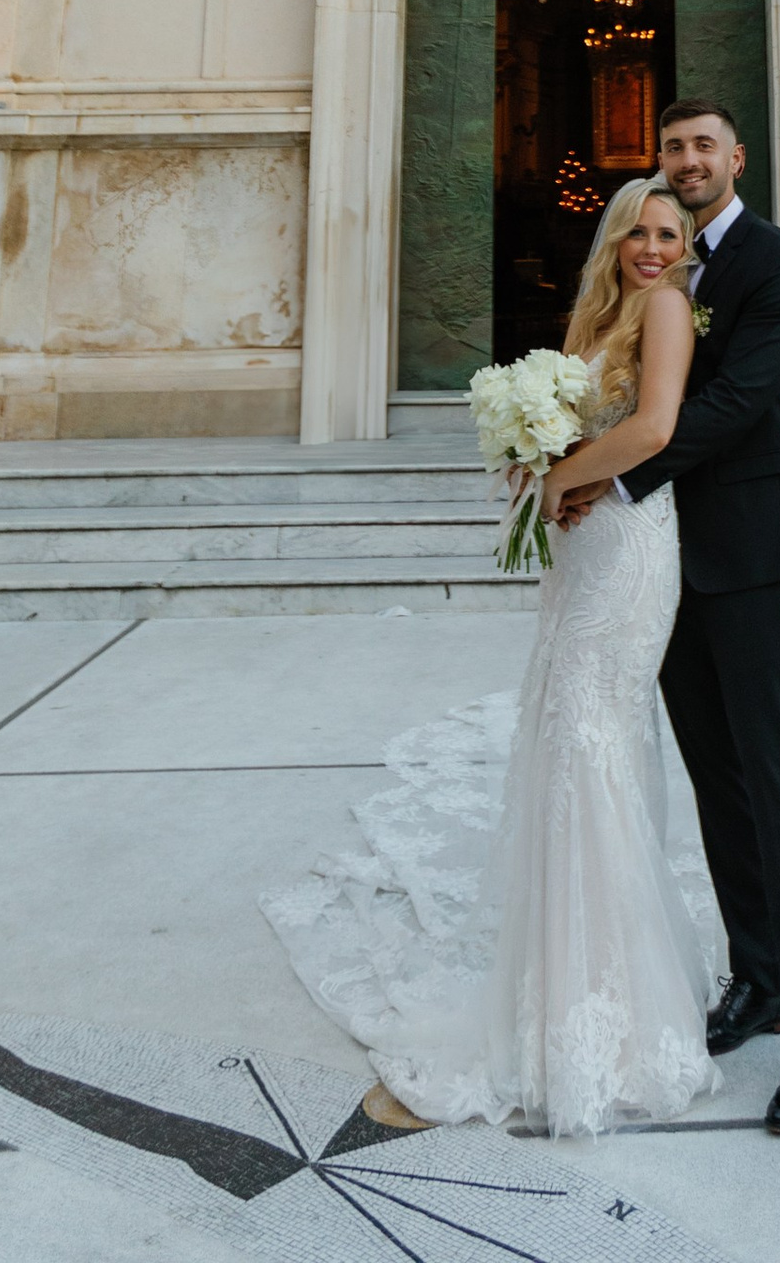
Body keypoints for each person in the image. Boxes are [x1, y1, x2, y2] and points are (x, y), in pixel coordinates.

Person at [264, 174, 720, 1137]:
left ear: (687, 247)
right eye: (638, 232)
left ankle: (605, 1017)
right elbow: (582, 421)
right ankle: (561, 984)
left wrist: (560, 472)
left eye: (669, 234)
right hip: (583, 547)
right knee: (564, 744)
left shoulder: (669, 310)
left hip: (631, 553)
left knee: (589, 745)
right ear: (613, 237)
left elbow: (653, 429)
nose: (652, 247)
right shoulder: (599, 315)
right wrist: (534, 461)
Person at [543, 100, 780, 1137]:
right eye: (672, 148)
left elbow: (726, 408)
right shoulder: (661, 268)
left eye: (702, 148)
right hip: (669, 564)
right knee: (716, 776)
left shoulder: (777, 264)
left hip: (755, 550)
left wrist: (606, 479)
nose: (686, 162)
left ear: (736, 159)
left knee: (778, 781)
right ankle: (762, 976)